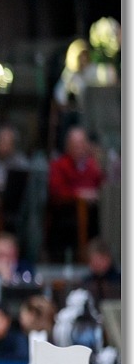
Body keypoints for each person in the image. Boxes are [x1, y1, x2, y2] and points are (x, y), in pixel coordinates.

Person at [47, 126, 104, 261]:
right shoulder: (59, 165)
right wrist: (78, 194)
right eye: (75, 144)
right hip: (65, 214)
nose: (79, 148)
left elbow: (101, 185)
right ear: (68, 146)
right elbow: (56, 190)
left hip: (90, 215)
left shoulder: (93, 165)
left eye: (81, 144)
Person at [81, 237, 121, 307]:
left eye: (97, 261)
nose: (93, 264)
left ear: (107, 258)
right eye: (91, 261)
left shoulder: (119, 281)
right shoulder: (88, 282)